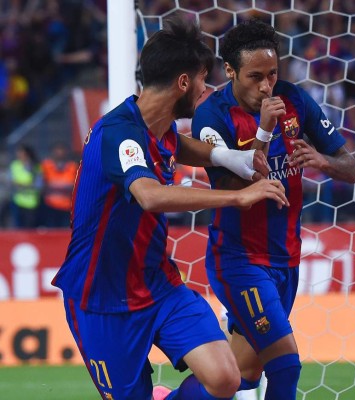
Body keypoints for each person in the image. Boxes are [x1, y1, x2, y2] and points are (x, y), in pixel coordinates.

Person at [51, 17, 289, 400]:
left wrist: (229, 158)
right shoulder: (118, 133)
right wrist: (237, 196)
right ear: (183, 82)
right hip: (101, 300)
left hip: (160, 285)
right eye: (200, 80)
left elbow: (178, 144)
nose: (204, 90)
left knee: (225, 380)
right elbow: (150, 195)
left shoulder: (156, 125)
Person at [190, 18, 355, 400]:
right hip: (239, 259)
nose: (266, 86)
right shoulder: (211, 115)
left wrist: (321, 159)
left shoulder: (295, 99)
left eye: (272, 73)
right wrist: (264, 132)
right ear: (230, 71)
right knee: (286, 365)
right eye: (255, 76)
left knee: (241, 375)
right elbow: (232, 188)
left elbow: (351, 168)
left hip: (287, 259)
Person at [40, 141, 78, 227]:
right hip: (49, 206)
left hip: (67, 206)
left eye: (61, 150)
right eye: (57, 150)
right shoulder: (46, 165)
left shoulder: (73, 166)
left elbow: (75, 185)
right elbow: (41, 183)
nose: (59, 153)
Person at [9, 144, 42, 228]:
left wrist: (22, 185)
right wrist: (26, 184)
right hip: (17, 201)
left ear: (27, 154)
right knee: (17, 226)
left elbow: (38, 185)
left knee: (30, 226)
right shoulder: (14, 165)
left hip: (32, 202)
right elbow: (11, 182)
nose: (18, 154)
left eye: (20, 152)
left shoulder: (35, 167)